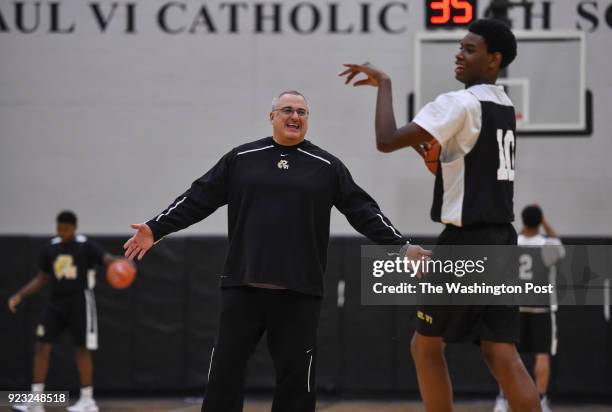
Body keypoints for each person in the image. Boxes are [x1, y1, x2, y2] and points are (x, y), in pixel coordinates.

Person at [123, 90, 431, 412]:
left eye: (302, 112)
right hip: (243, 288)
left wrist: (400, 246)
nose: (295, 117)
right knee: (224, 374)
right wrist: (157, 227)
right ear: (272, 117)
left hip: (299, 293)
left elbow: (361, 209)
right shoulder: (241, 159)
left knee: (296, 381)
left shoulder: (326, 166)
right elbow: (198, 197)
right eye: (287, 110)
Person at [340, 18, 541, 412]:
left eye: (470, 49)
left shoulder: (459, 102)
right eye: (460, 47)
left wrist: (385, 85)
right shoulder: (502, 104)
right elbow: (468, 169)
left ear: (493, 59)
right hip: (501, 238)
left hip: (466, 242)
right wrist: (443, 162)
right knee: (501, 352)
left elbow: (386, 141)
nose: (459, 53)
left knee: (425, 345)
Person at [8, 211, 118, 412]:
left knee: (82, 348)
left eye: (66, 229)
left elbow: (107, 259)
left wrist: (120, 264)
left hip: (80, 301)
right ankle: (35, 400)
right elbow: (41, 278)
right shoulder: (51, 248)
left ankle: (87, 400)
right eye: (59, 229)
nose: (62, 232)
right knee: (42, 345)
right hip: (56, 302)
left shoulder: (86, 246)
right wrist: (20, 295)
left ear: (74, 228)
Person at [494, 205, 565, 412]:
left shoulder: (515, 242)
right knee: (542, 354)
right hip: (541, 307)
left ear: (524, 221)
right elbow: (559, 245)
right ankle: (541, 400)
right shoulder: (547, 244)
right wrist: (543, 222)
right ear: (539, 220)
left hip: (515, 305)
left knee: (507, 354)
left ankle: (503, 398)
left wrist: (522, 228)